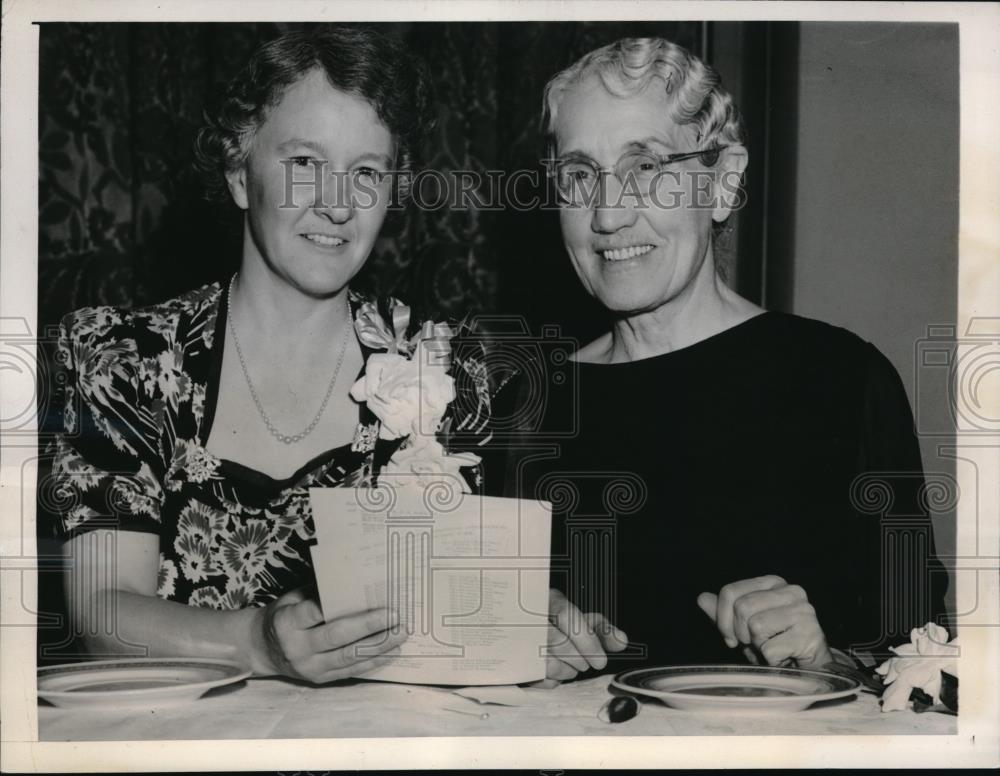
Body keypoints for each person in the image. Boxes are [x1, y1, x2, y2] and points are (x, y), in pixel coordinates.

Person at [515, 37, 949, 683]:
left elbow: (925, 671)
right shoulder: (524, 409)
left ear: (723, 181)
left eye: (647, 167)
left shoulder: (841, 381)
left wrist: (828, 663)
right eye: (580, 176)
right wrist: (509, 641)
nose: (607, 213)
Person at [46, 26, 452, 684]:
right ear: (239, 173)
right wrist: (258, 643)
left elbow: (459, 620)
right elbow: (99, 617)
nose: (337, 204)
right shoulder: (121, 359)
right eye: (304, 164)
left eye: (367, 173)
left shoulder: (444, 368)